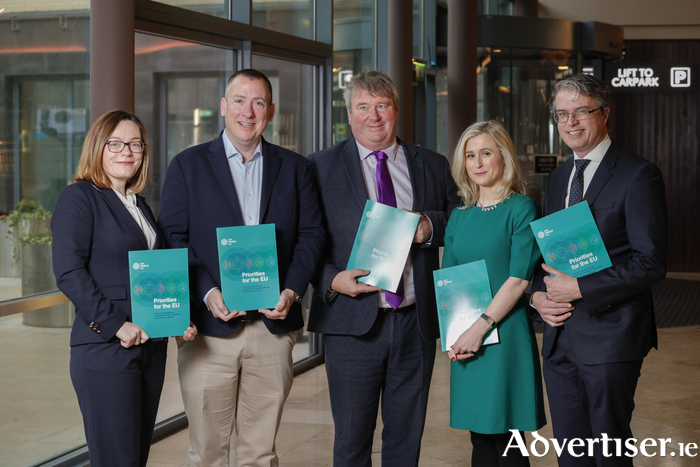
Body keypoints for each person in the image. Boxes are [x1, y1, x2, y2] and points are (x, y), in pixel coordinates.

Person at [158, 68, 324, 467]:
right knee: (207, 452)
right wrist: (208, 292)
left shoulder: (295, 166)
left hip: (272, 328)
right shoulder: (187, 165)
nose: (247, 112)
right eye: (239, 100)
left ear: (270, 111)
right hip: (209, 333)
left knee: (260, 452)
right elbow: (172, 237)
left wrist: (292, 290)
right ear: (222, 107)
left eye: (258, 102)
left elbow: (312, 235)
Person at [307, 70, 460, 466]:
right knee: (353, 440)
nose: (373, 116)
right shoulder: (319, 168)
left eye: (382, 105)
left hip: (415, 322)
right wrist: (331, 279)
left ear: (396, 110)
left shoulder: (431, 163)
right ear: (349, 112)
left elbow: (459, 220)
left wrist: (428, 225)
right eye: (363, 107)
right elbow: (305, 241)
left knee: (406, 439)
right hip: (352, 324)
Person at [530, 73, 668, 466]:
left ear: (605, 113)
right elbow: (551, 253)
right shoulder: (558, 177)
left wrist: (581, 288)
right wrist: (539, 295)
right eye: (561, 115)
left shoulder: (638, 175)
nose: (570, 123)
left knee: (607, 453)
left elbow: (651, 262)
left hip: (611, 338)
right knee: (571, 454)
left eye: (581, 112)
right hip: (559, 339)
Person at [51, 110, 197, 467]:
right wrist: (116, 324)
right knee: (117, 458)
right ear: (98, 147)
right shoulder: (80, 198)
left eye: (135, 144)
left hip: (149, 346)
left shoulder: (138, 205)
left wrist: (179, 316)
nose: (126, 151)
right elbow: (70, 273)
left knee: (133, 456)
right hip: (106, 348)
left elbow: (157, 273)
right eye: (115, 143)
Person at [442, 120, 546, 466]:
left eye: (486, 153)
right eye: (470, 156)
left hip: (504, 331)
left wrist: (479, 327)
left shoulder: (521, 209)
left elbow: (518, 280)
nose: (478, 163)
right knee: (481, 438)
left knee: (508, 440)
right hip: (467, 333)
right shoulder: (458, 217)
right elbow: (452, 281)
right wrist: (456, 333)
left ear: (503, 156)